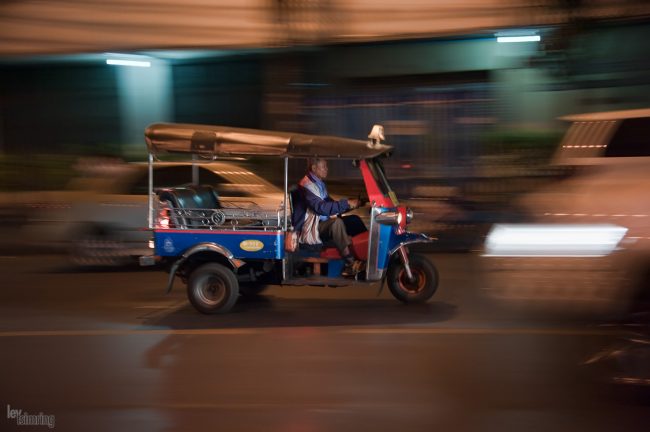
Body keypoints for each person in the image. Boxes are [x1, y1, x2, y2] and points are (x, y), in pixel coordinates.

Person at [291, 158, 366, 277]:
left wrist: (353, 204)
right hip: (311, 228)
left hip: (322, 223)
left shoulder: (318, 184)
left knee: (354, 220)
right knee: (336, 224)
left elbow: (330, 204)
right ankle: (350, 262)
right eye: (324, 167)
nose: (327, 169)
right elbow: (321, 208)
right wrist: (346, 203)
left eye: (327, 166)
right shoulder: (307, 185)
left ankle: (364, 254)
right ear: (314, 168)